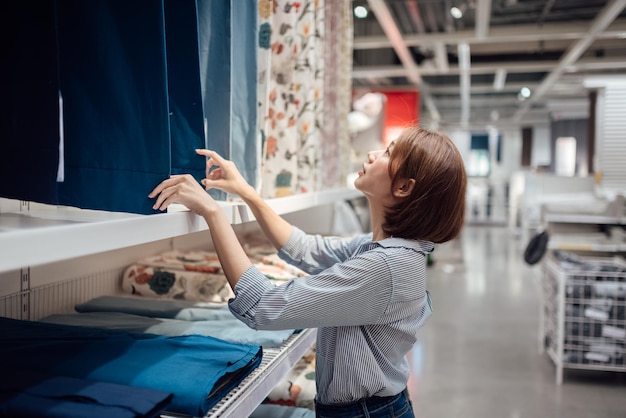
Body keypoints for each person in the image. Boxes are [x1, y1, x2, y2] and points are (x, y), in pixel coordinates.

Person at [149, 126, 467, 418]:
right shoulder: (386, 249)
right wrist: (247, 193)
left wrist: (213, 212)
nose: (372, 154)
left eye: (387, 153)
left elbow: (264, 306)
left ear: (403, 187)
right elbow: (308, 249)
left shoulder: (386, 266)